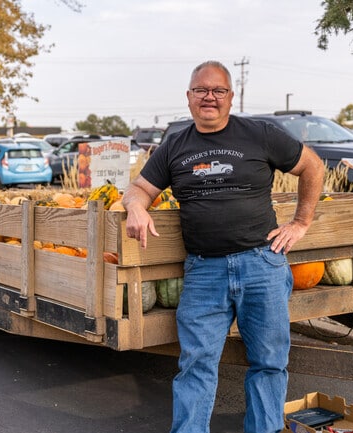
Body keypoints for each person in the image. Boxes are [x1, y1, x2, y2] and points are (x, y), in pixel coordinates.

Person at [121, 60, 325, 433]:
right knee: (196, 365)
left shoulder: (260, 134)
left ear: (231, 97)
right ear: (189, 98)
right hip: (204, 272)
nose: (209, 97)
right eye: (201, 90)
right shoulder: (175, 146)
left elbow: (312, 166)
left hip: (261, 265)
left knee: (268, 362)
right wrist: (135, 207)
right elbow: (138, 189)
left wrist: (300, 223)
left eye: (218, 90)